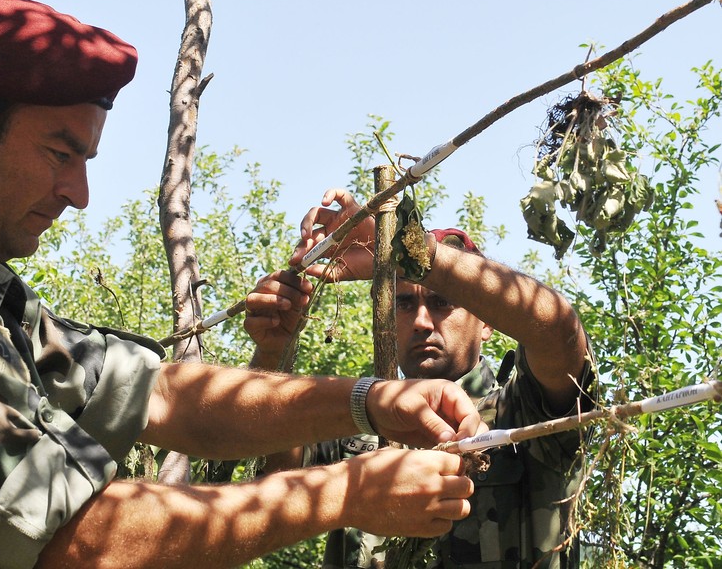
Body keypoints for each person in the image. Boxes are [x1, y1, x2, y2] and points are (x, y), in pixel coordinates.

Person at [0, 0, 487, 569]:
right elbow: (76, 539)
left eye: (85, 162)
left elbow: (161, 395)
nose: (79, 195)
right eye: (61, 154)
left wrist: (369, 402)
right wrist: (341, 494)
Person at [244, 189, 597, 568]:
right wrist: (272, 351)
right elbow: (274, 474)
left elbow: (558, 331)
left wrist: (412, 252)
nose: (422, 322)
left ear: (487, 321)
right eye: (405, 304)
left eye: (443, 302)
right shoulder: (355, 423)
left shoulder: (525, 411)